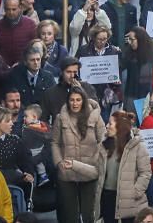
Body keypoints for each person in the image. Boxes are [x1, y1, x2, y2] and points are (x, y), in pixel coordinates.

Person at [52, 86, 107, 223]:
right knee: (69, 215)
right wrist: (59, 162)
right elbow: (55, 143)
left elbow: (104, 141)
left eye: (78, 100)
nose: (75, 103)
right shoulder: (60, 118)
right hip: (67, 172)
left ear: (84, 101)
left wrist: (95, 161)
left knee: (89, 213)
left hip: (89, 171)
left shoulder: (95, 117)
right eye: (72, 100)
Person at [101, 111, 152, 223]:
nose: (107, 126)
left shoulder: (137, 146)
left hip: (129, 201)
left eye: (110, 124)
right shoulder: (104, 146)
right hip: (107, 198)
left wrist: (135, 192)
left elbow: (146, 173)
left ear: (120, 127)